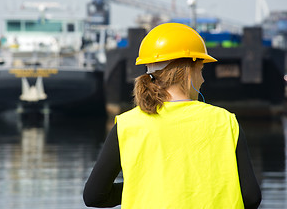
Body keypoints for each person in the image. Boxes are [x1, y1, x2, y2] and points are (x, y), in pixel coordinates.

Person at [83, 23, 262, 208]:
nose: (203, 79)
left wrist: (144, 186)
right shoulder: (225, 121)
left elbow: (94, 196)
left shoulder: (127, 125)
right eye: (200, 70)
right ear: (188, 72)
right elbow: (251, 197)